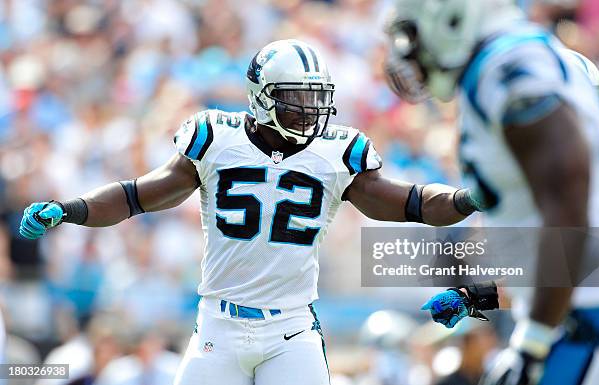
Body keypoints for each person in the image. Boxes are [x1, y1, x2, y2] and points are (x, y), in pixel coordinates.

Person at [19, 39, 482, 385]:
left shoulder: (338, 152)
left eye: (315, 96)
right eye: (295, 97)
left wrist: (467, 198)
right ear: (261, 96)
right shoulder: (216, 140)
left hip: (291, 328)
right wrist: (71, 209)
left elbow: (413, 202)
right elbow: (138, 195)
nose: (310, 109)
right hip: (218, 324)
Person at [384, 1, 599, 384]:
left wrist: (533, 339)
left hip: (587, 324)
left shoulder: (511, 73)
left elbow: (578, 241)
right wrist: (476, 297)